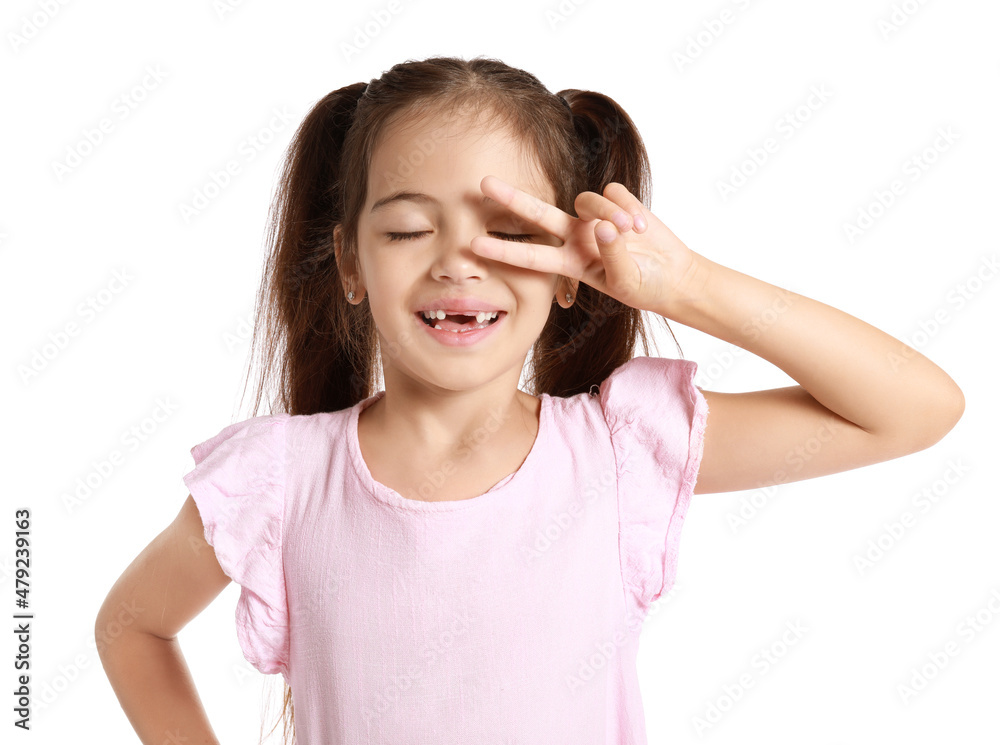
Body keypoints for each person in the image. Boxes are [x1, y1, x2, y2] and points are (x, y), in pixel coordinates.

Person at [95, 55, 964, 745]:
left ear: (570, 272)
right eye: (406, 228)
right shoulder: (280, 478)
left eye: (510, 233)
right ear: (351, 264)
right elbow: (131, 627)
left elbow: (914, 408)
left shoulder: (620, 454)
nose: (457, 261)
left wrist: (686, 285)